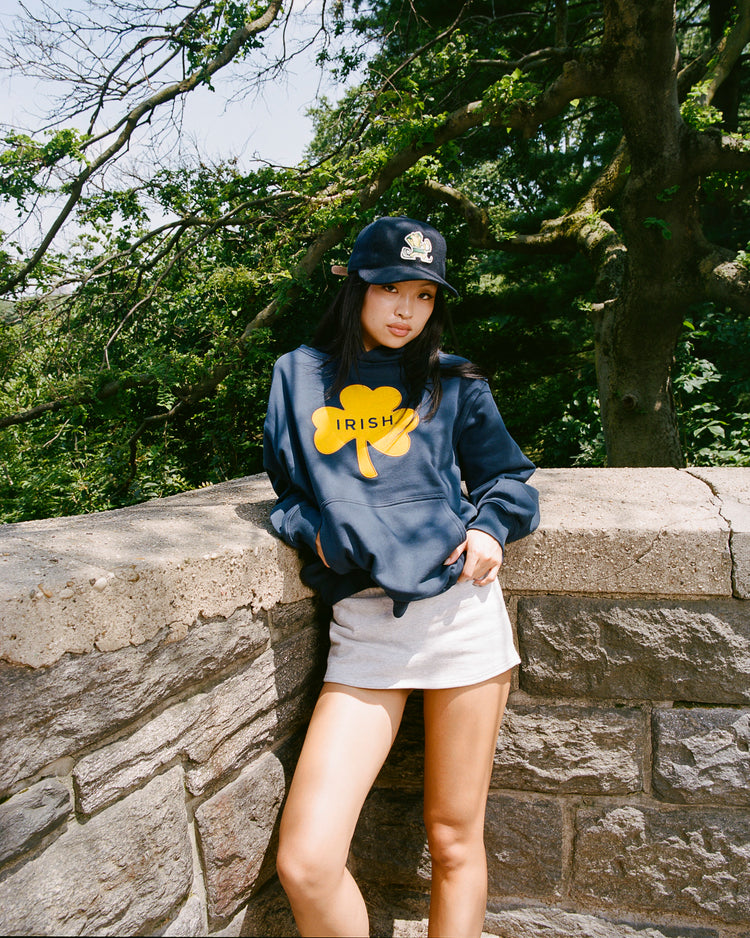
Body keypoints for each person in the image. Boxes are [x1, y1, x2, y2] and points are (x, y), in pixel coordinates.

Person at [263, 215, 539, 938]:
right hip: (365, 630)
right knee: (307, 862)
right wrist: (318, 538)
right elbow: (288, 496)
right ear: (356, 285)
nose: (405, 310)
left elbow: (508, 478)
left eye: (423, 295)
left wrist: (490, 528)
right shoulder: (298, 377)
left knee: (453, 840)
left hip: (462, 618)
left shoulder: (452, 380)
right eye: (391, 289)